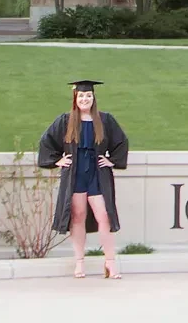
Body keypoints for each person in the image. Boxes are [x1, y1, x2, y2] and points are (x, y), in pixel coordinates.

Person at [37, 78, 129, 278]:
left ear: (93, 98)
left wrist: (112, 160)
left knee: (104, 216)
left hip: (97, 173)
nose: (85, 99)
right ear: (75, 98)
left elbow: (121, 141)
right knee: (77, 216)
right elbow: (46, 142)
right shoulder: (65, 121)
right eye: (81, 95)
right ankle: (79, 262)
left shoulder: (105, 120)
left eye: (88, 95)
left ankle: (110, 262)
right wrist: (57, 161)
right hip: (76, 173)